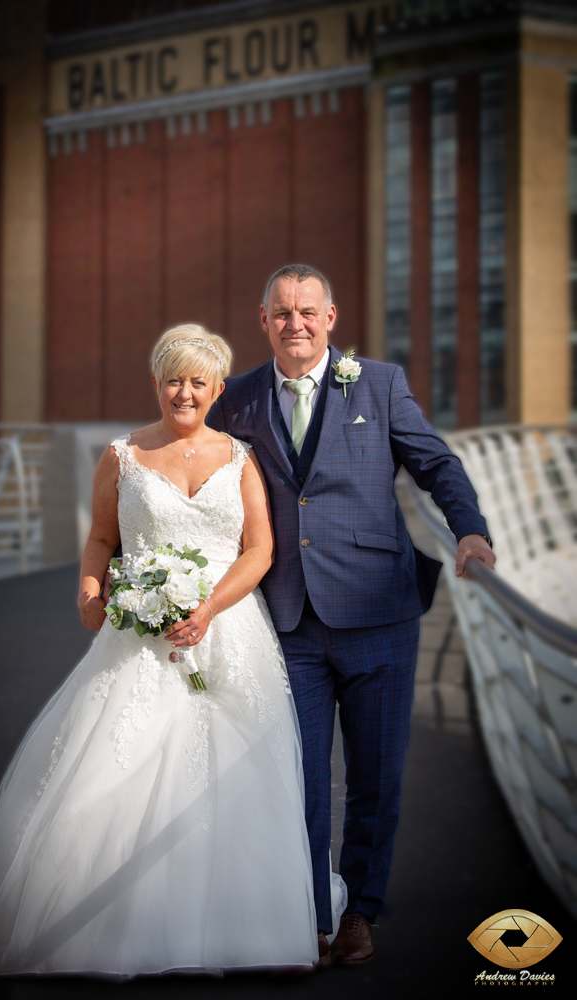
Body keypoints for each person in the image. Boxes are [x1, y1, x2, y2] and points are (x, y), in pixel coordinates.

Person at [0, 324, 346, 977]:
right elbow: (99, 539)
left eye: (198, 382)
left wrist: (207, 609)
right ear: (157, 383)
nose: (185, 392)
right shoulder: (122, 456)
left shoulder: (240, 457)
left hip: (229, 636)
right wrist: (91, 593)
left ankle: (245, 928)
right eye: (174, 378)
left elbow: (259, 549)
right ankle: (107, 926)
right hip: (139, 640)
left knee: (237, 773)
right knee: (118, 766)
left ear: (217, 390)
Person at [207, 264, 496, 966]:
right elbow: (200, 476)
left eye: (308, 311)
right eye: (282, 312)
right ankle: (309, 912)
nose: (295, 323)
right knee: (299, 777)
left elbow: (436, 463)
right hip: (288, 621)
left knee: (375, 776)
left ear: (331, 318)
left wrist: (470, 528)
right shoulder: (236, 399)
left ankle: (361, 911)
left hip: (380, 617)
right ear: (263, 319)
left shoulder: (380, 383)